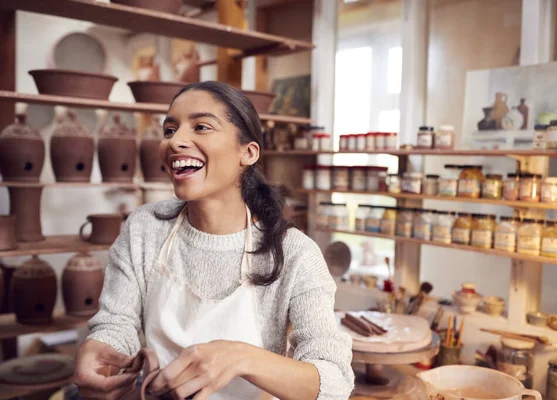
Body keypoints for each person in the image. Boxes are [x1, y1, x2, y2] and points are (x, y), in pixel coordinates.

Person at [73, 81, 354, 400]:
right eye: (169, 130)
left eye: (201, 126)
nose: (176, 141)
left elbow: (335, 381)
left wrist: (240, 357)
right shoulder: (144, 228)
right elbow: (116, 323)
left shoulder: (295, 254)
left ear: (247, 153)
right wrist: (100, 348)